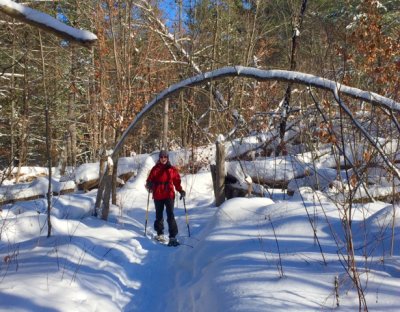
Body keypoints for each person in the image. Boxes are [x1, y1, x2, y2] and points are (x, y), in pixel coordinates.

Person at [146, 150, 185, 246]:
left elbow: (177, 181)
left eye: (165, 157)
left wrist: (180, 190)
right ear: (159, 158)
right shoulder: (155, 169)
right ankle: (160, 234)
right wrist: (149, 184)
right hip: (158, 194)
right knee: (159, 215)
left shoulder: (172, 169)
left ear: (167, 158)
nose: (163, 159)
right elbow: (149, 181)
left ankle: (172, 237)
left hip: (169, 195)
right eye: (161, 157)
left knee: (170, 215)